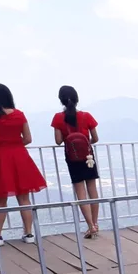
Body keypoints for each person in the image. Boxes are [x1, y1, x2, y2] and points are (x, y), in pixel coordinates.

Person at [0, 83, 47, 246]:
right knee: (24, 198)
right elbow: (28, 139)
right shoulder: (19, 114)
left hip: (0, 158)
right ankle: (29, 234)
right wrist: (15, 143)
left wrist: (2, 144)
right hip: (20, 157)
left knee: (0, 200)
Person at [52, 86, 100, 238]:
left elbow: (59, 141)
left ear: (61, 100)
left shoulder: (58, 118)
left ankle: (90, 225)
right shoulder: (87, 116)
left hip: (72, 159)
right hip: (88, 157)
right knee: (92, 190)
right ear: (77, 99)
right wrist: (85, 144)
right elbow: (96, 138)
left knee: (81, 193)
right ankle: (96, 223)